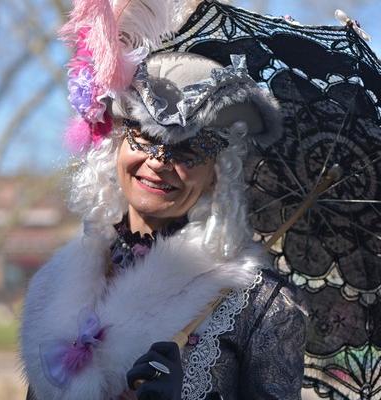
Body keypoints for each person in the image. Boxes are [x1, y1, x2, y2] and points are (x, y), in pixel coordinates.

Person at [21, 2, 308, 400]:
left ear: (218, 174)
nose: (159, 163)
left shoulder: (259, 301)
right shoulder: (55, 282)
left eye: (189, 150)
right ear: (116, 144)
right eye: (144, 137)